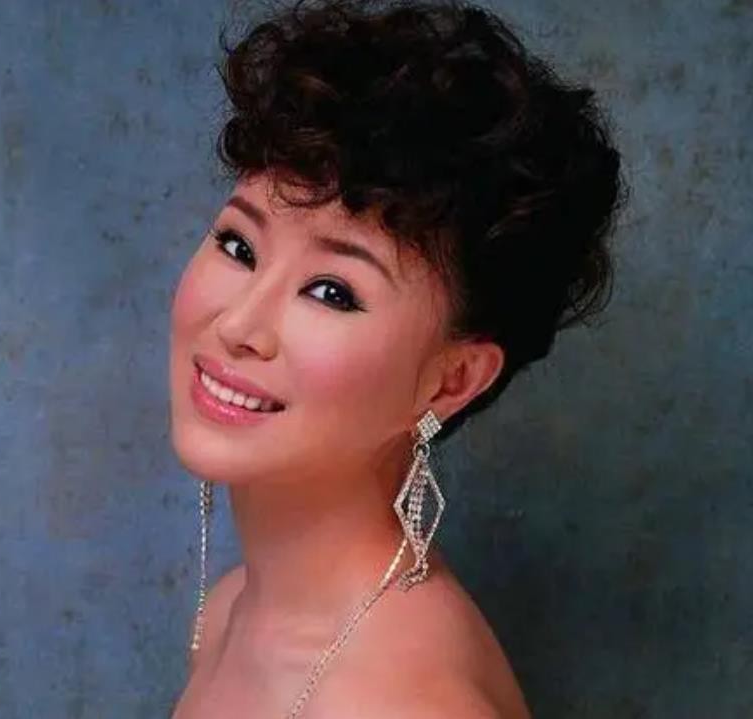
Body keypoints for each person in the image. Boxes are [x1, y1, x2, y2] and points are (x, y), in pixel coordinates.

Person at [167, 0, 624, 716]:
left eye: (331, 291)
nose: (238, 324)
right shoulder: (232, 608)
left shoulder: (396, 699)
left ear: (452, 380)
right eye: (238, 245)